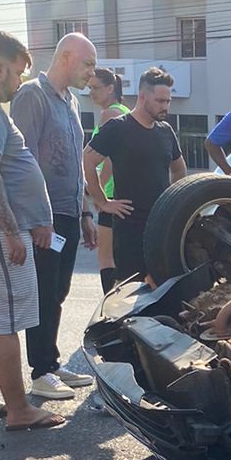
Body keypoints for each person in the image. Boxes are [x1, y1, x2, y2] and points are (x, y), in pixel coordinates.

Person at [0, 31, 65, 434]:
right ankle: (18, 408)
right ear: (0, 67)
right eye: (19, 73)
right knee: (4, 321)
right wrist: (10, 230)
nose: (20, 82)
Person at [11, 32, 98, 400]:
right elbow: (20, 159)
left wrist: (85, 214)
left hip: (68, 212)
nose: (91, 74)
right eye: (87, 64)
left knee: (59, 291)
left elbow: (77, 163)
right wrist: (34, 218)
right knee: (44, 291)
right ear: (65, 57)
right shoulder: (32, 95)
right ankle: (40, 371)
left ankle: (51, 362)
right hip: (42, 217)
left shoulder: (72, 103)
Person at [82, 66, 185, 281]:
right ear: (142, 96)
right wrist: (102, 202)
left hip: (161, 226)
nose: (165, 106)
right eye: (159, 101)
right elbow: (88, 160)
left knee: (164, 290)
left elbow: (178, 168)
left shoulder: (165, 131)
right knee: (129, 292)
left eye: (168, 101)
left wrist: (174, 201)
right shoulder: (119, 127)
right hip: (129, 228)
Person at [88, 66, 129, 295]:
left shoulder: (110, 114)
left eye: (96, 87)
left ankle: (110, 305)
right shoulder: (123, 110)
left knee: (106, 256)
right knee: (120, 255)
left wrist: (100, 193)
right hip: (121, 191)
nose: (92, 92)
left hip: (111, 194)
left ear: (111, 88)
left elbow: (110, 157)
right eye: (89, 88)